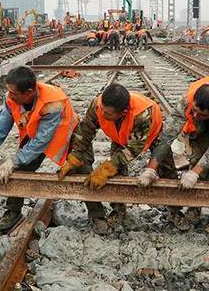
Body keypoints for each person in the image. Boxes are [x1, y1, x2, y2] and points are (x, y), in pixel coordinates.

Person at [0, 66, 78, 231]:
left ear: (29, 92)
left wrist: (13, 160)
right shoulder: (11, 99)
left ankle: (97, 214)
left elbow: (42, 141)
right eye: (8, 91)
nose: (9, 95)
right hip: (37, 134)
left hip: (65, 133)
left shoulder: (53, 101)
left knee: (84, 169)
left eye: (13, 93)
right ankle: (13, 211)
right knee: (18, 170)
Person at [58, 83, 178, 234]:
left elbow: (133, 150)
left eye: (107, 114)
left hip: (152, 133)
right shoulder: (98, 105)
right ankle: (119, 208)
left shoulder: (142, 115)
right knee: (117, 170)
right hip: (119, 134)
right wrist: (75, 156)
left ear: (123, 112)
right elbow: (86, 130)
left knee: (166, 168)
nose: (102, 114)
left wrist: (107, 168)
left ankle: (175, 209)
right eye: (102, 109)